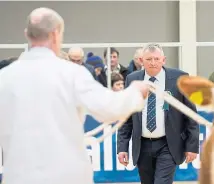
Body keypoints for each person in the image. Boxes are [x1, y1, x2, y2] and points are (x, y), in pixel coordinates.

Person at [0, 7, 149, 184]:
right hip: (66, 176)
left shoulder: (4, 77)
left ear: (27, 34)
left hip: (19, 177)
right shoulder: (71, 73)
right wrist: (136, 92)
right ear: (56, 34)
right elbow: (108, 108)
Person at [117, 43, 199, 184]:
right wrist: (122, 147)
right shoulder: (132, 79)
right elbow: (127, 117)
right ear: (141, 61)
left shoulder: (180, 78)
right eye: (149, 59)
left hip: (168, 144)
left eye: (156, 59)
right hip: (142, 145)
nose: (153, 63)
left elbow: (190, 114)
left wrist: (192, 146)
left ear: (163, 60)